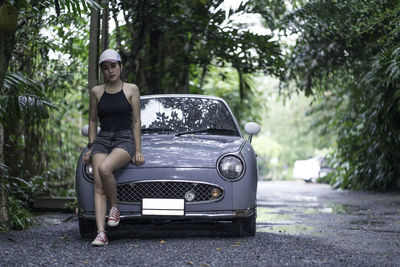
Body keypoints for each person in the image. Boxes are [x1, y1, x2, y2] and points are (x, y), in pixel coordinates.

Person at [83, 49, 145, 246]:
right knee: (98, 186)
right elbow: (93, 121)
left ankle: (115, 207)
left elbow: (136, 122)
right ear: (102, 71)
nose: (110, 71)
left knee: (104, 169)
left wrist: (138, 150)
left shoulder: (131, 89)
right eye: (106, 68)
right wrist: (91, 146)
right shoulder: (96, 92)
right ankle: (101, 233)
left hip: (124, 139)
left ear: (120, 66)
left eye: (113, 66)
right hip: (102, 139)